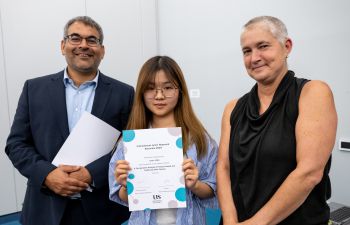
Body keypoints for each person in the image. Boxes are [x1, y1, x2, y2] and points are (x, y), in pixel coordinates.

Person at [5, 16, 133, 225]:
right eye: (75, 38)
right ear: (63, 46)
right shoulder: (34, 89)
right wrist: (47, 175)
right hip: (44, 208)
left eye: (92, 40)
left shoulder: (124, 93)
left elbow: (128, 146)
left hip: (100, 210)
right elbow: (16, 144)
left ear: (102, 50)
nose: (83, 45)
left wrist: (92, 174)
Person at [217, 16, 337, 225]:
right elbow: (224, 168)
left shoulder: (313, 94)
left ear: (286, 46)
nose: (254, 58)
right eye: (247, 51)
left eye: (263, 46)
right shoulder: (232, 108)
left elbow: (309, 173)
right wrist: (229, 220)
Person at [108, 56, 218, 225]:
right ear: (142, 93)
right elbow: (124, 198)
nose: (159, 96)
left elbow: (213, 189)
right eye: (151, 89)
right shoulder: (129, 142)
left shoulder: (198, 138)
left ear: (180, 91)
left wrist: (195, 185)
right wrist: (125, 185)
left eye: (168, 88)